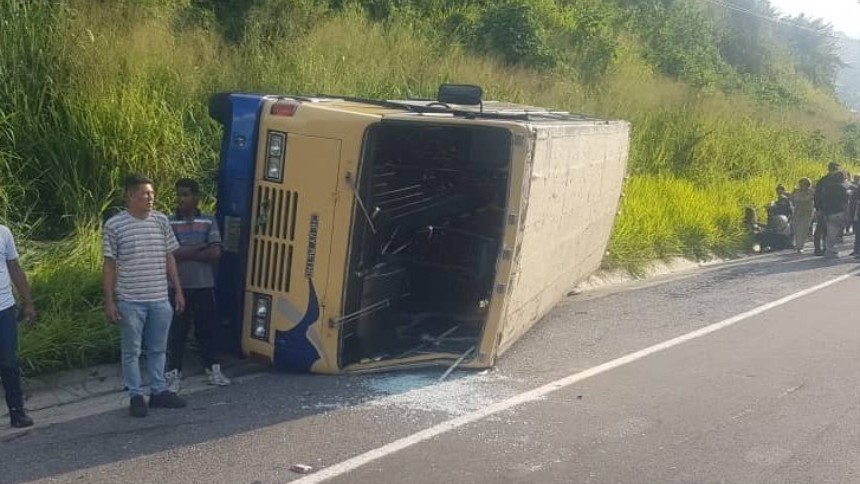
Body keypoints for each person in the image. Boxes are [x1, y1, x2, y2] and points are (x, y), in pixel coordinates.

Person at [102, 173, 187, 417]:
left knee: (158, 348)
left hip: (159, 297)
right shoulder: (115, 225)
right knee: (131, 351)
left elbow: (169, 257)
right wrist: (109, 301)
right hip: (131, 300)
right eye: (144, 194)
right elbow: (109, 264)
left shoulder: (161, 221)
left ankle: (159, 391)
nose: (150, 198)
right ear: (130, 196)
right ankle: (136, 394)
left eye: (151, 193)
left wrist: (178, 290)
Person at [165, 178, 231, 392]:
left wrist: (185, 251)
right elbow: (170, 254)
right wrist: (199, 248)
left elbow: (215, 252)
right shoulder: (169, 222)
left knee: (206, 330)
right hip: (178, 288)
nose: (181, 199)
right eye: (179, 195)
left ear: (196, 198)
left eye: (185, 195)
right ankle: (173, 374)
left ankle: (213, 369)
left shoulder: (208, 220)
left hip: (204, 285)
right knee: (177, 332)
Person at [0, 225, 36, 428]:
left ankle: (17, 412)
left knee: (9, 363)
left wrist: (28, 302)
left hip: (4, 309)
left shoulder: (3, 232)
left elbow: (14, 267)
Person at [817, 170, 849, 258]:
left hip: (828, 212)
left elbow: (822, 199)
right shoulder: (842, 188)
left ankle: (828, 249)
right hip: (839, 211)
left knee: (830, 231)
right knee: (836, 233)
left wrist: (823, 210)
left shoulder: (827, 188)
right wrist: (847, 214)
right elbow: (844, 202)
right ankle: (831, 251)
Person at [813, 162, 841, 255]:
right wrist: (818, 208)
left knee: (828, 230)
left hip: (833, 208)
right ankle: (817, 248)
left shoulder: (837, 180)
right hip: (824, 207)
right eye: (834, 169)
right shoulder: (823, 181)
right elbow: (817, 195)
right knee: (820, 228)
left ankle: (825, 247)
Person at [790, 178, 815, 253]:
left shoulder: (811, 192)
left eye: (803, 184)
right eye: (800, 184)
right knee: (796, 228)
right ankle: (797, 244)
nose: (801, 186)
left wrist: (797, 198)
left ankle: (800, 246)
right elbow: (792, 199)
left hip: (807, 213)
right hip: (797, 212)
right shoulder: (797, 191)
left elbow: (807, 199)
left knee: (803, 229)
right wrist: (792, 194)